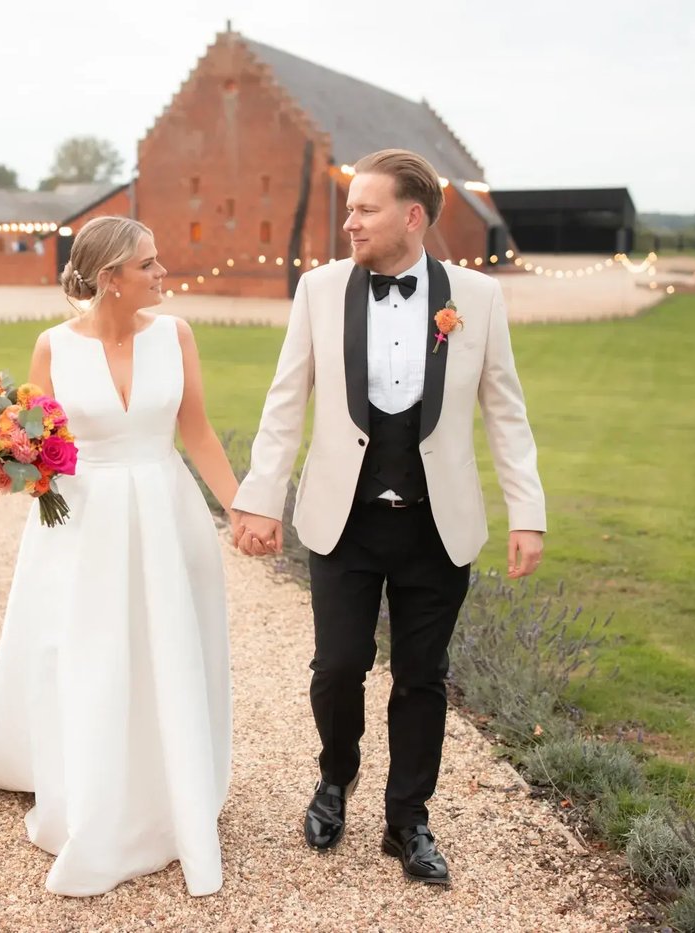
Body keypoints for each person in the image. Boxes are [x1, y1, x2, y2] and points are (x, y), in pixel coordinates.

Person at [231, 149, 547, 886]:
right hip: (344, 519)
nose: (350, 222)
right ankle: (335, 777)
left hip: (439, 527)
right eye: (349, 209)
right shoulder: (319, 290)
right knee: (338, 666)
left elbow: (506, 411)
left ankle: (408, 820)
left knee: (422, 676)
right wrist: (260, 497)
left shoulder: (477, 297)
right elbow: (286, 400)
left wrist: (526, 513)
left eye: (365, 209)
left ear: (413, 215)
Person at [0, 216, 239, 897]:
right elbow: (37, 440)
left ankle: (173, 784)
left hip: (166, 512)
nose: (162, 271)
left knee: (170, 649)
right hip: (83, 525)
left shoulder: (176, 336)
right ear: (111, 276)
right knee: (88, 657)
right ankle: (94, 799)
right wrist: (9, 461)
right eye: (149, 263)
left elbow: (196, 431)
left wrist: (242, 506)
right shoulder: (52, 347)